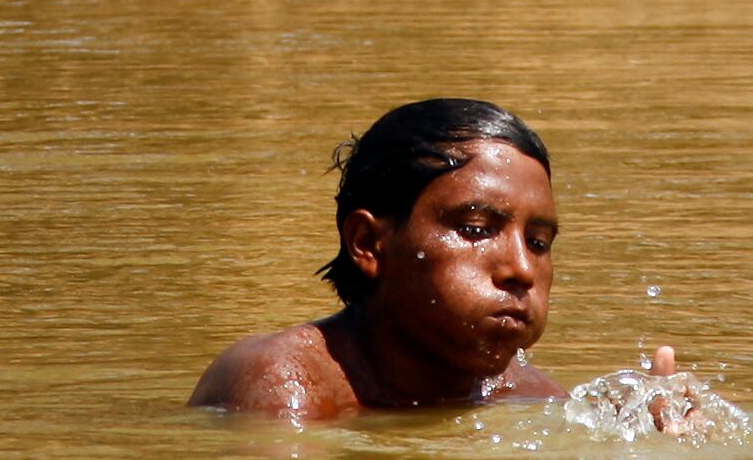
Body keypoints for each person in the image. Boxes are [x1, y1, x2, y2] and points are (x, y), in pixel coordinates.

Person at [191, 96, 672, 423]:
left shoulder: (532, 397)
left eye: (539, 242)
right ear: (368, 244)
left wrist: (651, 448)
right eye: (476, 229)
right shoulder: (287, 384)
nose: (522, 269)